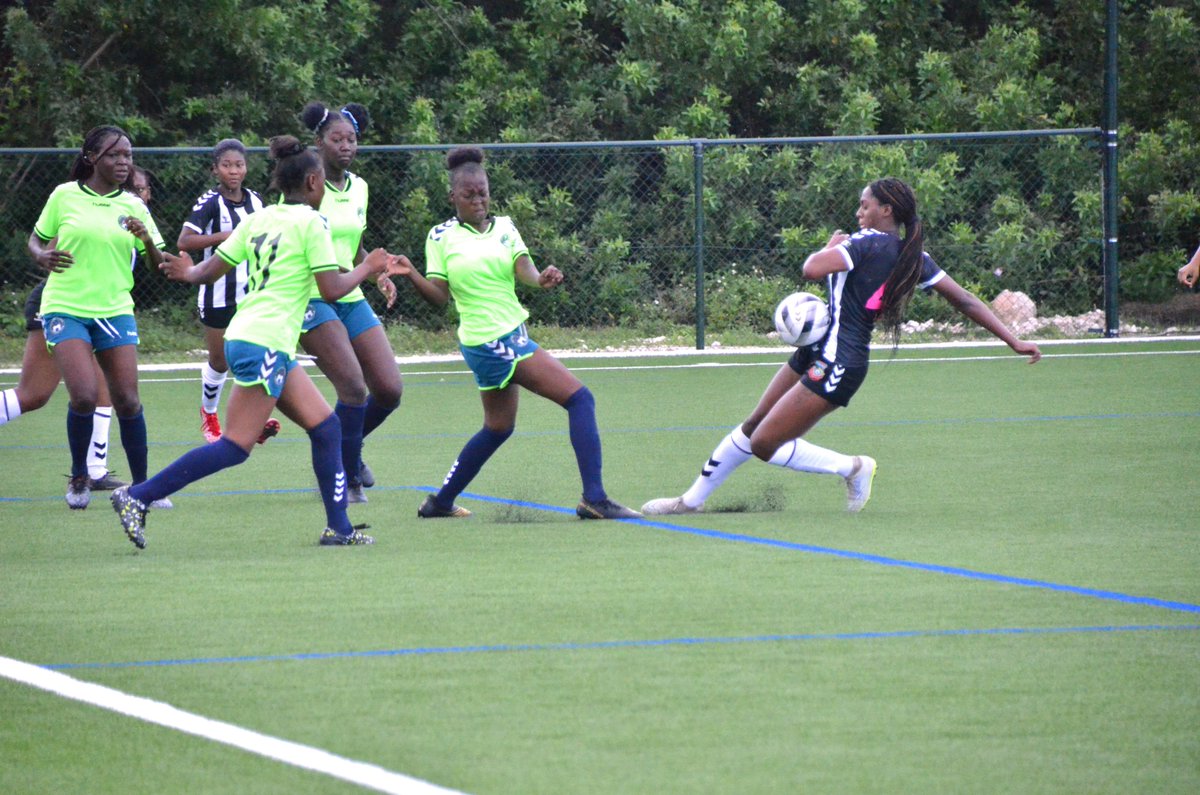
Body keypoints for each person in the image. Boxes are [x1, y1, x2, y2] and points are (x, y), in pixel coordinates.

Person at [641, 177, 1042, 516]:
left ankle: (852, 467)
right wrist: (1013, 339)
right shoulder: (911, 254)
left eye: (864, 206)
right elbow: (964, 299)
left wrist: (828, 245)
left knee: (764, 443)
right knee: (753, 425)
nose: (858, 213)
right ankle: (689, 502)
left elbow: (811, 268)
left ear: (886, 210)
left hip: (839, 362)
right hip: (818, 351)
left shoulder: (867, 242)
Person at [111, 135, 406, 549]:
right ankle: (138, 495)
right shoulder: (311, 222)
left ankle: (338, 527)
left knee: (326, 427)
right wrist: (370, 266)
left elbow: (208, 270)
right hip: (264, 342)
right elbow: (332, 288)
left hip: (251, 338)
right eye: (321, 181)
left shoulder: (258, 219)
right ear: (312, 182)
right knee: (235, 446)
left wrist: (187, 272)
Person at [395, 146, 640, 520]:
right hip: (492, 341)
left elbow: (523, 268)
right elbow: (439, 297)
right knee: (580, 399)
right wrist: (411, 273)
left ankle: (439, 502)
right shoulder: (440, 236)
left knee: (498, 427)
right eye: (469, 194)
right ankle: (595, 497)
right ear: (452, 197)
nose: (478, 200)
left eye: (483, 193)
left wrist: (541, 279)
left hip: (507, 335)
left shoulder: (505, 227)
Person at [27, 125, 166, 510]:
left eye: (128, 156)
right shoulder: (64, 195)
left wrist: (149, 240)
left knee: (128, 400)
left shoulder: (134, 206)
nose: (124, 163)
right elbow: (36, 238)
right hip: (65, 306)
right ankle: (79, 476)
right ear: (92, 158)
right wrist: (40, 255)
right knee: (85, 396)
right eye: (114, 155)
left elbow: (162, 267)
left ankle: (143, 488)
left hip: (115, 309)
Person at [296, 101, 403, 504]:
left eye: (351, 139)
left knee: (389, 390)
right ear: (318, 142)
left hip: (350, 292)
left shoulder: (359, 187)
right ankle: (347, 471)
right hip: (313, 296)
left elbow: (354, 245)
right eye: (336, 139)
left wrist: (376, 274)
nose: (345, 146)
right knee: (354, 388)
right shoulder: (309, 188)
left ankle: (342, 453)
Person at [177, 138, 279, 446]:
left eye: (239, 165)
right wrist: (225, 236)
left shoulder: (256, 201)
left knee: (253, 354)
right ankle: (209, 413)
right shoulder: (210, 202)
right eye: (226, 165)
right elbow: (184, 241)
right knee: (220, 361)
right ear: (215, 170)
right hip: (217, 291)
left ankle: (252, 421)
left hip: (251, 293)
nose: (233, 171)